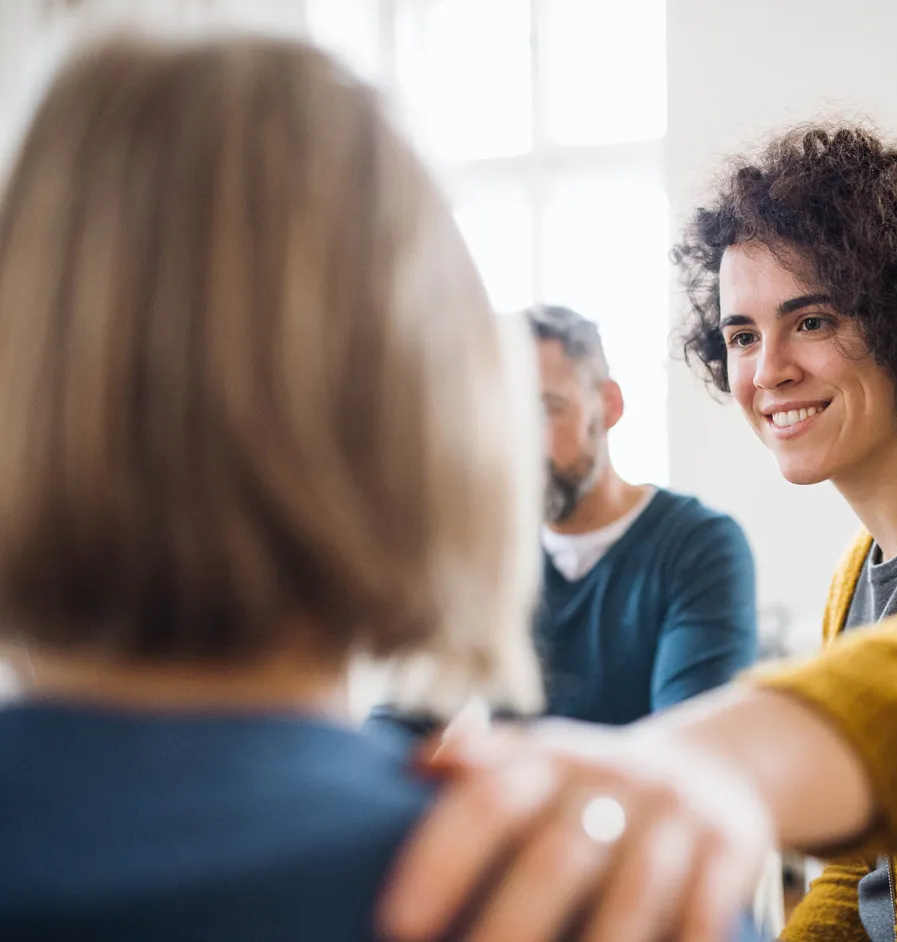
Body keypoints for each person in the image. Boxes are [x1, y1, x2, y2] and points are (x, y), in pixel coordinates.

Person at [379, 122, 897, 942]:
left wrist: (711, 759)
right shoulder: (856, 574)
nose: (767, 368)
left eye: (812, 320)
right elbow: (861, 883)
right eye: (741, 335)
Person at [0, 35, 767, 942]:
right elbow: (412, 717)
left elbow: (681, 736)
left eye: (546, 410)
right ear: (428, 435)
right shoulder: (603, 911)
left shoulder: (694, 544)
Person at [526, 303, 758, 724]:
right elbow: (402, 721)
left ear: (608, 405)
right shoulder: (484, 556)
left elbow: (687, 752)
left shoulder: (700, 547)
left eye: (544, 410)